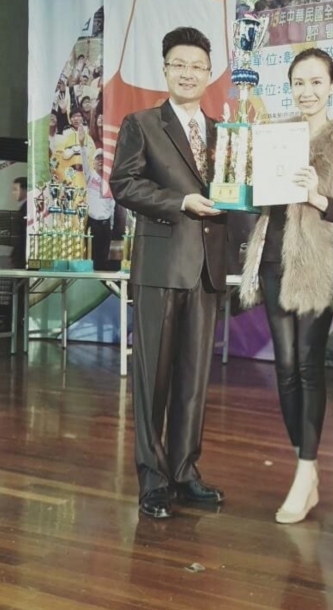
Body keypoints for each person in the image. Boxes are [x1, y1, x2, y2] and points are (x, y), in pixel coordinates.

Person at [110, 26, 227, 519]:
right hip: (160, 267)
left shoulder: (224, 133)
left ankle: (183, 471)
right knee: (152, 380)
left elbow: (235, 191)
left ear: (209, 73)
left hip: (207, 269)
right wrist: (179, 201)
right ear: (165, 69)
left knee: (193, 381)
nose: (188, 73)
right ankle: (152, 479)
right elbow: (124, 184)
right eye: (179, 64)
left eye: (197, 66)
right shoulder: (142, 124)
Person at [240, 48, 333, 525]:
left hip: (317, 263)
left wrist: (319, 195)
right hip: (272, 257)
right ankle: (304, 465)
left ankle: (306, 470)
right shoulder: (277, 134)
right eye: (299, 83)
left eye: (316, 82)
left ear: (332, 85)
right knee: (285, 366)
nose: (307, 92)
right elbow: (259, 200)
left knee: (309, 365)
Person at [79, 127, 116, 271]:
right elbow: (84, 161)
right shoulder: (90, 176)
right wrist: (81, 144)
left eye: (102, 159)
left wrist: (111, 225)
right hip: (92, 222)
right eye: (97, 159)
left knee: (104, 255)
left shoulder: (110, 181)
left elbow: (112, 204)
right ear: (93, 162)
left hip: (106, 223)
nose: (100, 161)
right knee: (91, 254)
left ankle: (103, 275)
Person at [11, 177, 28, 269]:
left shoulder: (27, 209)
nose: (13, 193)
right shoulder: (23, 208)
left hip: (22, 256)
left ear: (24, 190)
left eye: (15, 190)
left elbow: (23, 235)